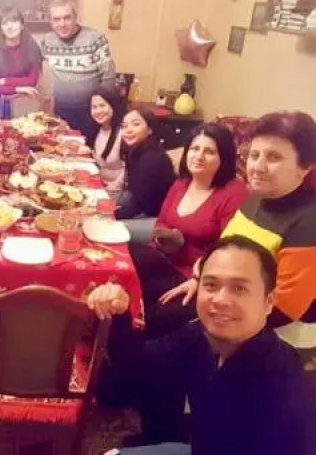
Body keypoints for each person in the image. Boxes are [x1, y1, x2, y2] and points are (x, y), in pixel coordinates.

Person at [89, 236, 316, 455]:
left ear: (269, 301)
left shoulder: (283, 391)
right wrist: (120, 314)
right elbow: (135, 365)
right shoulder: (200, 336)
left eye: (239, 288)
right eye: (211, 285)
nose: (221, 300)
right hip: (203, 454)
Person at [160, 111, 316, 350]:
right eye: (254, 155)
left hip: (269, 330)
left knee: (158, 326)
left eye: (274, 157)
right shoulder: (256, 198)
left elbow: (285, 309)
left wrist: (209, 319)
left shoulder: (308, 222)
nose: (258, 167)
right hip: (224, 298)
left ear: (305, 168)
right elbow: (223, 248)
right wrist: (198, 279)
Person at [130, 124, 248, 338]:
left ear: (224, 158)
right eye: (195, 149)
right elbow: (161, 222)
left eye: (209, 151)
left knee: (155, 314)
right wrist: (166, 238)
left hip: (196, 277)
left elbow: (229, 251)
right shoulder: (182, 183)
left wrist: (198, 278)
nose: (199, 156)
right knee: (122, 260)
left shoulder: (234, 194)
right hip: (165, 259)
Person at [42, 0, 116, 143]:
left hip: (91, 114)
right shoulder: (47, 41)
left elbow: (109, 75)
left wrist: (100, 108)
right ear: (50, 21)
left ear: (75, 17)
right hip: (61, 113)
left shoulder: (95, 39)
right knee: (60, 151)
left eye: (67, 18)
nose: (62, 24)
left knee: (89, 152)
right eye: (56, 19)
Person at [115, 108, 175, 241]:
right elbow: (133, 193)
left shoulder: (152, 159)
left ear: (150, 129)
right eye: (124, 126)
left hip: (159, 217)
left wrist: (110, 216)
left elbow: (136, 206)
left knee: (110, 228)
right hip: (143, 207)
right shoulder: (135, 151)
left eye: (135, 124)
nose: (128, 130)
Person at [0, 7, 44, 117]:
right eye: (5, 23)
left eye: (14, 21)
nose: (10, 26)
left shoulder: (33, 51)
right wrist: (17, 88)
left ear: (22, 25)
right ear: (1, 29)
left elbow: (31, 81)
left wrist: (5, 81)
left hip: (24, 109)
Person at [89, 86, 126, 194]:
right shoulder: (97, 128)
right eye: (94, 107)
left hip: (116, 190)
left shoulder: (124, 132)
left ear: (113, 105)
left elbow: (129, 170)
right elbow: (98, 159)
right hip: (99, 182)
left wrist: (110, 189)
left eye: (102, 105)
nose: (98, 111)